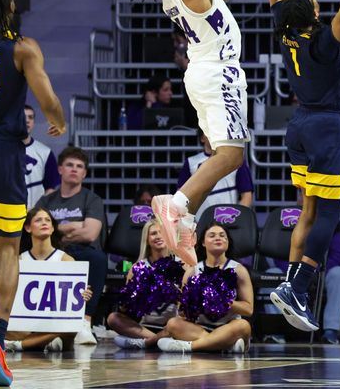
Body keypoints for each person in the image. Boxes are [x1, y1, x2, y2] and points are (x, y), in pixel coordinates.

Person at [226, 0, 340, 332]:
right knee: (327, 216)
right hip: (326, 127)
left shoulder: (285, 29)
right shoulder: (324, 40)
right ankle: (302, 283)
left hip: (299, 125)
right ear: (314, 14)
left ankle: (289, 285)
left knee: (306, 210)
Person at [116, 0, 255, 266]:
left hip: (204, 74)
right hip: (216, 74)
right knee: (230, 156)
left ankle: (183, 214)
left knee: (225, 155)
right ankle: (175, 204)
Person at [0, 0, 66, 384]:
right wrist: (57, 121)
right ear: (8, 7)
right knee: (9, 249)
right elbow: (46, 98)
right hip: (1, 151)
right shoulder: (22, 49)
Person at [35, 146, 107, 346]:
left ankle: (85, 322)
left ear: (84, 173)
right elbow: (34, 227)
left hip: (82, 251)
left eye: (79, 166)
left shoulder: (91, 199)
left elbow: (90, 233)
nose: (74, 169)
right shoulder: (46, 200)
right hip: (51, 251)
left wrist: (57, 230)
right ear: (60, 169)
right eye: (69, 165)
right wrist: (75, 225)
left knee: (98, 258)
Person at [4, 207, 93, 353]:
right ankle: (43, 342)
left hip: (55, 322)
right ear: (27, 228)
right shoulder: (20, 260)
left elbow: (74, 297)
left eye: (48, 220)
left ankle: (20, 345)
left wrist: (83, 295)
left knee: (70, 327)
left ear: (52, 229)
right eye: (38, 220)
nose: (44, 223)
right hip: (27, 323)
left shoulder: (66, 259)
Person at [157, 224, 253, 353]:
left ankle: (189, 347)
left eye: (222, 235)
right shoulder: (193, 271)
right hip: (198, 328)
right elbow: (181, 312)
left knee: (243, 326)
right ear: (203, 242)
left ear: (228, 242)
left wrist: (223, 301)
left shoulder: (239, 270)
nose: (218, 238)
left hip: (228, 327)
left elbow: (248, 309)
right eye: (212, 235)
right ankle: (226, 345)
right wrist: (194, 302)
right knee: (173, 323)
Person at [109, 220, 185, 350]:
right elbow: (125, 309)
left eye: (162, 232)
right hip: (145, 327)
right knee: (113, 318)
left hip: (174, 325)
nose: (159, 236)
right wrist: (133, 298)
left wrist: (174, 292)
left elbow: (189, 305)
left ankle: (146, 343)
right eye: (153, 233)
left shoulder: (183, 264)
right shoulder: (138, 267)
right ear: (147, 240)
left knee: (176, 324)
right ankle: (159, 341)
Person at [177, 130, 254, 221]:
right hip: (200, 222)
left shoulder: (235, 160)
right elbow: (182, 196)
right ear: (202, 138)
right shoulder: (191, 162)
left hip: (229, 221)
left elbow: (247, 195)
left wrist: (236, 219)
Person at [23, 104, 60, 208]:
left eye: (30, 117)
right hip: (9, 217)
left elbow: (50, 188)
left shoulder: (45, 152)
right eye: (22, 117)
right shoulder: (3, 151)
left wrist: (37, 211)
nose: (27, 121)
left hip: (35, 216)